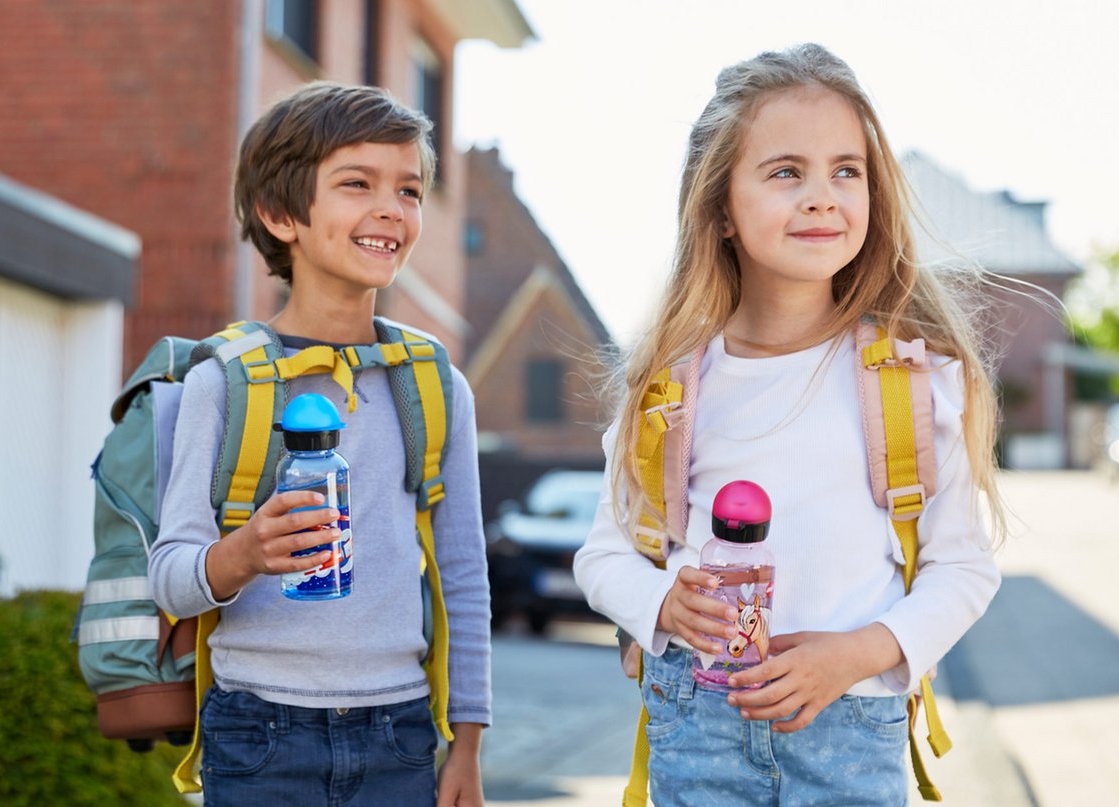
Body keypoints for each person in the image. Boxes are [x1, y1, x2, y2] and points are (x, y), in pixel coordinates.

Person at [573, 44, 1005, 806]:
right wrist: (661, 606)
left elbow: (964, 569)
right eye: (785, 172)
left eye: (847, 170)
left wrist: (858, 654)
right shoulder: (670, 385)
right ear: (722, 211)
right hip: (697, 728)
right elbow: (606, 555)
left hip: (853, 735)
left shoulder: (914, 378)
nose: (822, 196)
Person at [151, 82, 490, 807]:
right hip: (257, 729)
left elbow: (462, 575)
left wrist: (466, 744)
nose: (391, 209)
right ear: (281, 215)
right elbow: (172, 575)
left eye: (409, 189)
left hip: (400, 732)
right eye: (356, 184)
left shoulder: (434, 385)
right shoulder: (226, 380)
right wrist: (242, 553)